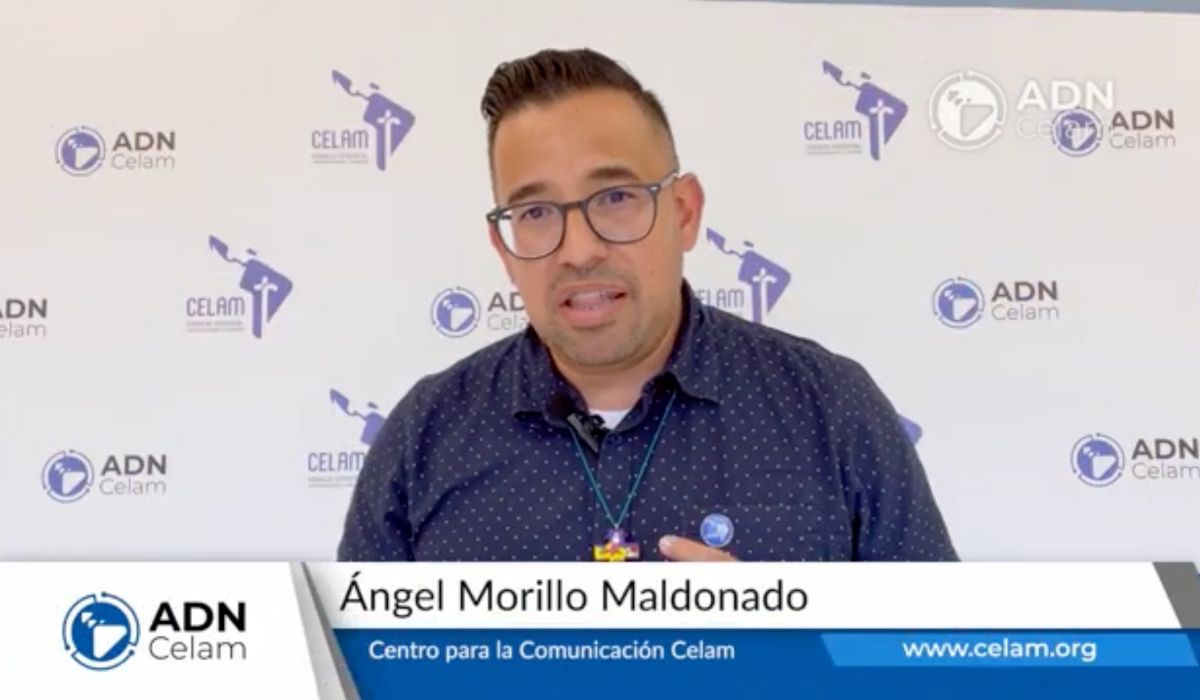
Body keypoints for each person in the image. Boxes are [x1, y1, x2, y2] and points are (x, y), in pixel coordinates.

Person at [337, 48, 957, 562]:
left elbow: (949, 659)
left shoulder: (832, 411)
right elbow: (344, 663)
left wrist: (789, 648)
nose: (579, 250)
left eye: (615, 199)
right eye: (536, 212)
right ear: (503, 246)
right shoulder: (424, 436)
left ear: (684, 213)